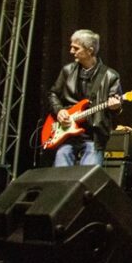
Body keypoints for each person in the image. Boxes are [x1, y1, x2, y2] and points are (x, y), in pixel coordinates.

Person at [47, 29, 122, 167]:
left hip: (93, 137)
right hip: (67, 135)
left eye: (76, 48)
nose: (71, 51)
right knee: (60, 174)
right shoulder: (67, 70)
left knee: (88, 176)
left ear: (90, 50)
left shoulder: (110, 76)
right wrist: (59, 110)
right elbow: (53, 94)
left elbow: (115, 110)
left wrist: (115, 107)